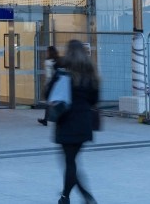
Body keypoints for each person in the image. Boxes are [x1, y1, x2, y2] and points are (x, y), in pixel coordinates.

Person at [55, 40, 99, 204]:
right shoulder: (91, 73)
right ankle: (78, 196)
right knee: (71, 161)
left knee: (69, 162)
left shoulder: (63, 71)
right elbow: (95, 99)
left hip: (66, 121)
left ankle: (71, 197)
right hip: (84, 122)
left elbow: (49, 92)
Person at [38, 45, 64, 126]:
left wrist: (47, 84)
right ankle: (50, 119)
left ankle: (46, 119)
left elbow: (49, 75)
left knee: (49, 101)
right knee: (55, 101)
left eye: (47, 51)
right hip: (59, 83)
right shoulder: (59, 60)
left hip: (51, 83)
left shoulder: (47, 61)